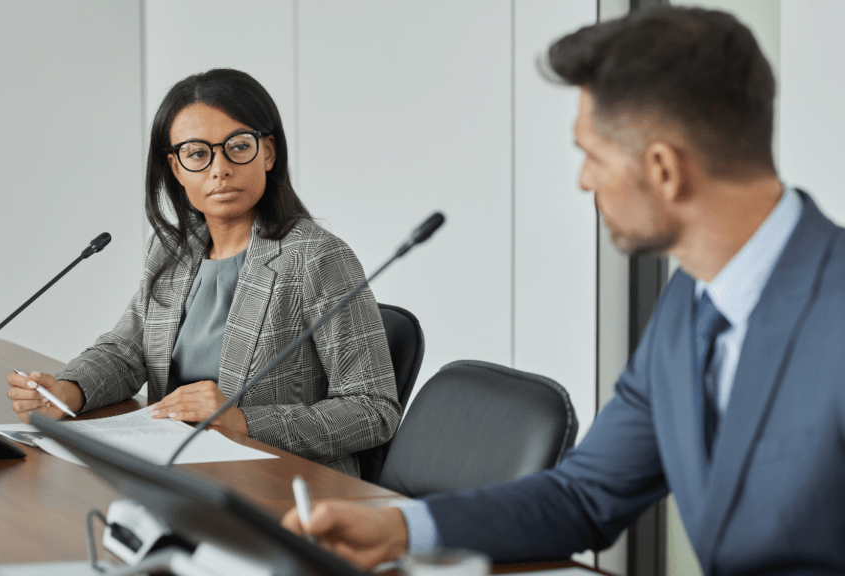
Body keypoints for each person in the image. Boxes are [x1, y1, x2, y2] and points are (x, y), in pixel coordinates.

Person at [283, 7, 845, 573]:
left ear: (664, 171)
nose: (583, 180)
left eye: (592, 155)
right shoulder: (691, 305)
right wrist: (402, 527)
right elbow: (584, 494)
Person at [6, 68, 401, 477]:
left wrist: (243, 421)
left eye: (238, 146)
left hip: (283, 484)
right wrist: (68, 391)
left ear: (268, 152)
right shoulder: (172, 250)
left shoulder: (316, 258)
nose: (220, 169)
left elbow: (373, 409)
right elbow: (127, 352)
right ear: (176, 169)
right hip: (180, 474)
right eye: (197, 153)